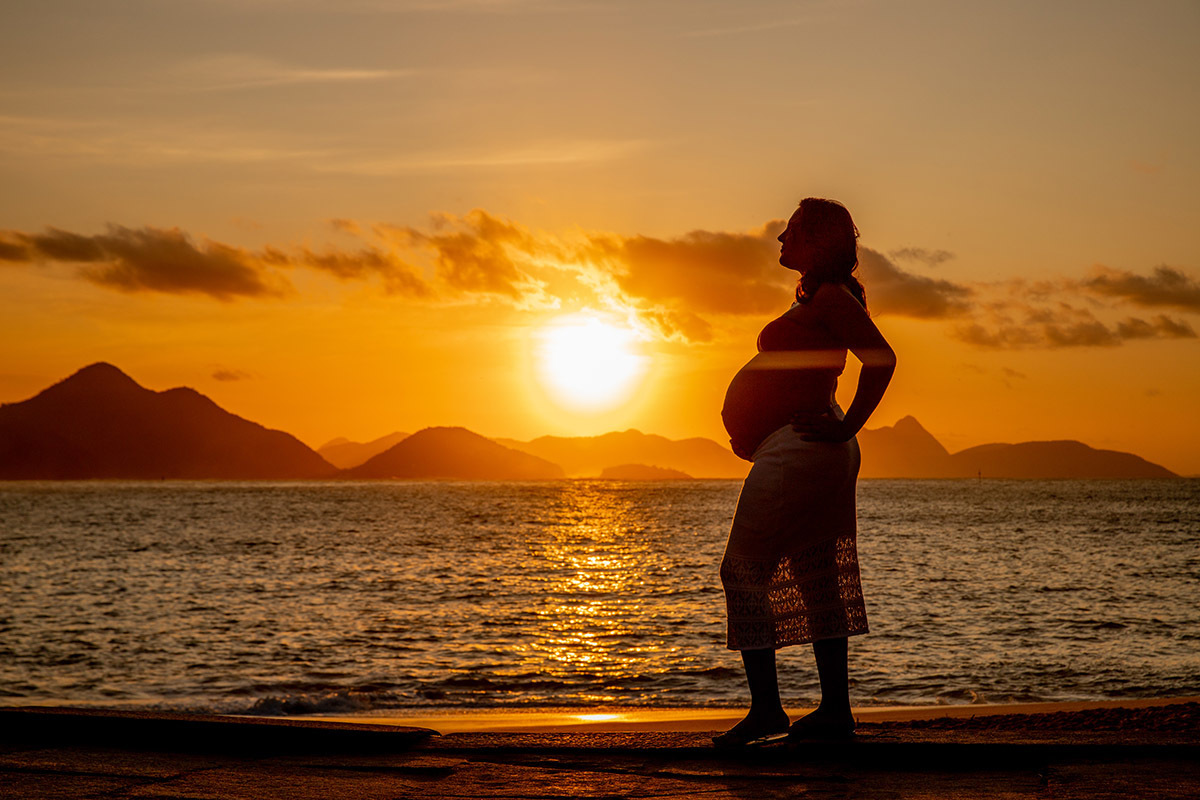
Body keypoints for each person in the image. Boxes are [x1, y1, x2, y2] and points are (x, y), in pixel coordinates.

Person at [715, 197, 896, 746]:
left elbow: (881, 360)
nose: (779, 239)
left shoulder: (833, 297)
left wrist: (847, 429)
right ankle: (834, 713)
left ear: (818, 241)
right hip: (800, 448)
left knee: (743, 571)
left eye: (790, 231)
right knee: (817, 577)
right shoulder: (822, 297)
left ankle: (770, 711)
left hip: (807, 449)